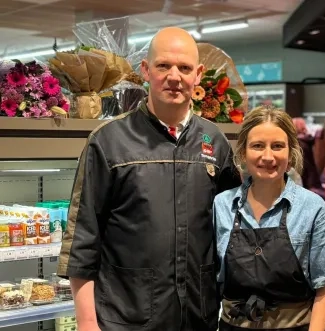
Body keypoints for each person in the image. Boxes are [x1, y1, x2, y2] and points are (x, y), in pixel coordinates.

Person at [57, 27, 241, 331]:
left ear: (198, 75)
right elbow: (82, 240)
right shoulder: (108, 142)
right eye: (163, 66)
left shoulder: (215, 142)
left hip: (198, 316)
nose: (174, 76)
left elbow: (232, 231)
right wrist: (87, 323)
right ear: (146, 70)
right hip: (126, 318)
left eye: (184, 68)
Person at [214, 106, 325, 331]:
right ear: (242, 152)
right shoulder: (222, 205)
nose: (268, 156)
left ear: (291, 154)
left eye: (278, 146)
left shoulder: (313, 209)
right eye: (257, 146)